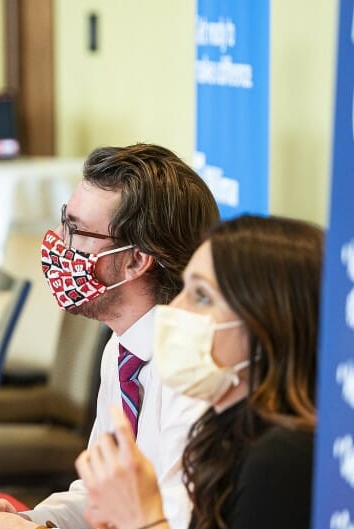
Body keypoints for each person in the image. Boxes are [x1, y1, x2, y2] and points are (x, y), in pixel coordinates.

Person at [0, 143, 220, 529]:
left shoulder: (194, 374)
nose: (59, 246)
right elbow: (98, 495)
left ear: (136, 260)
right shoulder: (121, 347)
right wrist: (32, 520)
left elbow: (171, 521)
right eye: (64, 223)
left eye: (77, 231)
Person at [74, 215, 320, 529]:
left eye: (202, 296)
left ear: (269, 325)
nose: (176, 309)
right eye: (185, 289)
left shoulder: (283, 458)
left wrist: (143, 520)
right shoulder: (221, 431)